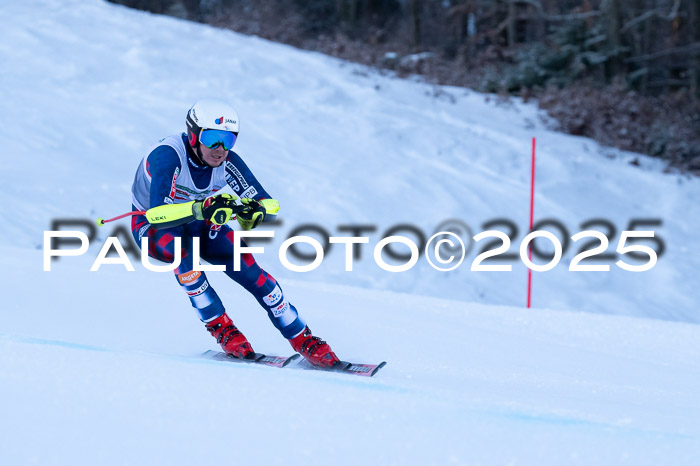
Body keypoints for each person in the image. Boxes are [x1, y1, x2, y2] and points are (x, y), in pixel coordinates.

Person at [130, 98, 340, 367]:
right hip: (153, 227)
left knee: (248, 267)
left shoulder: (228, 162)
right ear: (194, 135)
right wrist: (202, 207)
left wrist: (254, 211)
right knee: (184, 258)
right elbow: (157, 214)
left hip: (196, 221)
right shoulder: (168, 156)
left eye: (229, 140)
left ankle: (302, 337)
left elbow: (270, 203)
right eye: (213, 139)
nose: (220, 149)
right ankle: (223, 329)